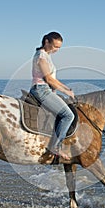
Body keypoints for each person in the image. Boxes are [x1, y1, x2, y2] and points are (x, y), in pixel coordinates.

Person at [30, 32, 75, 160]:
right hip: (42, 90)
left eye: (59, 47)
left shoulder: (46, 56)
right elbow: (49, 79)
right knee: (68, 115)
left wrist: (66, 88)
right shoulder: (41, 56)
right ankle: (56, 147)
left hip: (46, 89)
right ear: (46, 42)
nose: (57, 50)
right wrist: (66, 92)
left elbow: (54, 80)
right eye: (55, 46)